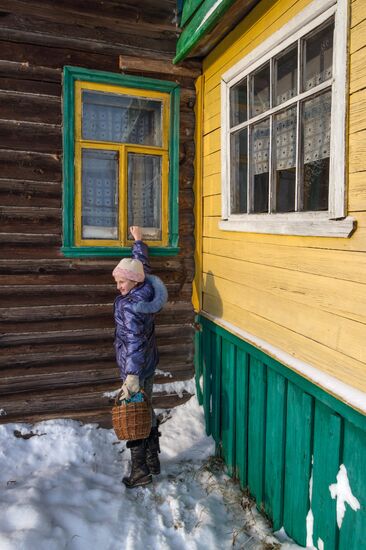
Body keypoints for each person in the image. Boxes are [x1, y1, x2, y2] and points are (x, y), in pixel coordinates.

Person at [112, 225, 168, 489]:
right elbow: (141, 265)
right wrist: (139, 242)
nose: (119, 286)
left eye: (122, 282)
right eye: (117, 282)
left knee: (134, 414)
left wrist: (131, 376)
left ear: (134, 281)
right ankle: (152, 460)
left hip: (136, 368)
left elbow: (134, 342)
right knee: (146, 409)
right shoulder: (145, 290)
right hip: (148, 364)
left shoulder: (131, 307)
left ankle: (140, 471)